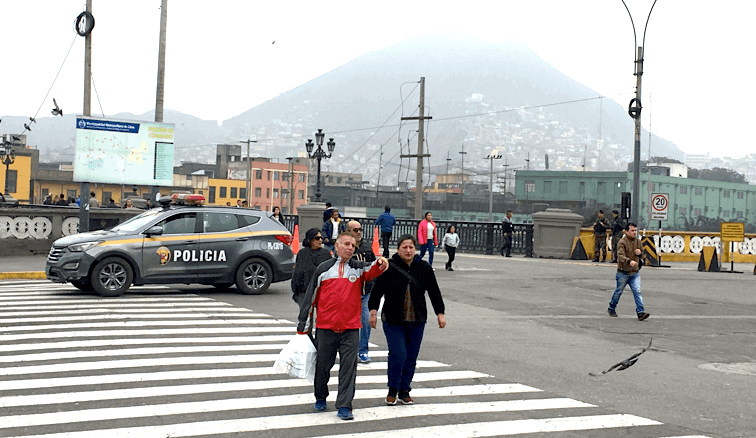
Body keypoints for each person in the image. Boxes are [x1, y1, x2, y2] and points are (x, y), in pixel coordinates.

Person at [296, 232, 389, 421]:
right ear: (336, 246)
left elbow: (372, 270)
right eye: (346, 244)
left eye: (353, 246)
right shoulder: (323, 270)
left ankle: (345, 405)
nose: (349, 248)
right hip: (325, 327)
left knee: (349, 368)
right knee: (323, 367)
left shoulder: (357, 268)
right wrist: (302, 327)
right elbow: (310, 299)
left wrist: (381, 263)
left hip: (351, 328)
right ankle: (320, 396)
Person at [369, 234, 446, 405]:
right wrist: (372, 311)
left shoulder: (424, 267)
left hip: (417, 319)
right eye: (404, 247)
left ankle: (404, 390)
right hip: (392, 319)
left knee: (411, 356)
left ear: (415, 249)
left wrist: (440, 313)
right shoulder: (389, 266)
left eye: (411, 247)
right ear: (398, 249)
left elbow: (434, 291)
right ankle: (392, 389)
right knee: (398, 353)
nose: (408, 250)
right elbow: (377, 291)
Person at [346, 220, 376, 364]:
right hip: (349, 293)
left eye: (360, 230)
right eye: (355, 230)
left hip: (366, 291)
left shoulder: (366, 246)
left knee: (365, 320)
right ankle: (347, 350)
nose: (358, 233)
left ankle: (363, 350)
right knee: (347, 323)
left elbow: (373, 265)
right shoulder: (345, 248)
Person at [608, 222, 650, 321]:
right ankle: (611, 307)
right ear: (627, 231)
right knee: (618, 291)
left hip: (634, 272)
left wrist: (640, 254)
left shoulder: (638, 242)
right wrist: (629, 261)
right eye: (632, 230)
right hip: (623, 272)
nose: (634, 232)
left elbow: (643, 254)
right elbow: (620, 256)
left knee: (637, 292)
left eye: (635, 230)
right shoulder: (622, 242)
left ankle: (640, 312)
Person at [291, 228, 332, 306]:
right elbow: (297, 273)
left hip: (321, 290)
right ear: (310, 240)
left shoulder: (325, 253)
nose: (320, 240)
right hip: (304, 290)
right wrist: (296, 290)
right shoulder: (303, 253)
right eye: (317, 238)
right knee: (304, 315)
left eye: (321, 238)